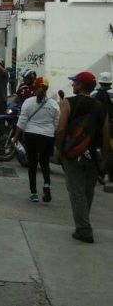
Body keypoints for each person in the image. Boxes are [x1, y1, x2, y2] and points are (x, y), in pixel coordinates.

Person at [55, 71, 110, 243]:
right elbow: (105, 134)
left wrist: (60, 148)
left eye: (74, 82)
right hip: (93, 155)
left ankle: (84, 229)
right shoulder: (100, 106)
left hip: (74, 154)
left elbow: (61, 128)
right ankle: (83, 223)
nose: (72, 85)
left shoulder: (67, 103)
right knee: (87, 192)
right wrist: (105, 159)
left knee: (76, 192)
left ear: (80, 85)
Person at [12, 77, 59, 203]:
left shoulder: (28, 102)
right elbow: (56, 123)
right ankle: (47, 184)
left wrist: (16, 137)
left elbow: (22, 121)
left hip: (31, 135)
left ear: (34, 87)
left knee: (32, 164)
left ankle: (33, 193)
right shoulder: (54, 104)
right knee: (44, 162)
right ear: (47, 89)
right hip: (47, 136)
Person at [92, 71, 113, 182]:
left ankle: (98, 172)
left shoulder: (93, 94)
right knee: (110, 150)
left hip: (96, 126)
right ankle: (109, 174)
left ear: (99, 81)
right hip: (111, 127)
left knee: (95, 148)